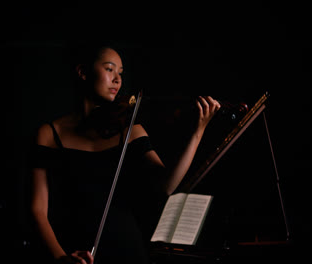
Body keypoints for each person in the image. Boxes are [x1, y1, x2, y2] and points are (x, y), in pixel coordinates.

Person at [28, 41, 220, 264]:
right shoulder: (49, 134)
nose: (117, 79)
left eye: (120, 72)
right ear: (82, 72)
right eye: (109, 69)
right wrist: (60, 257)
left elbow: (166, 185)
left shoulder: (130, 130)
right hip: (73, 253)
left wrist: (197, 132)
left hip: (127, 251)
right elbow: (37, 208)